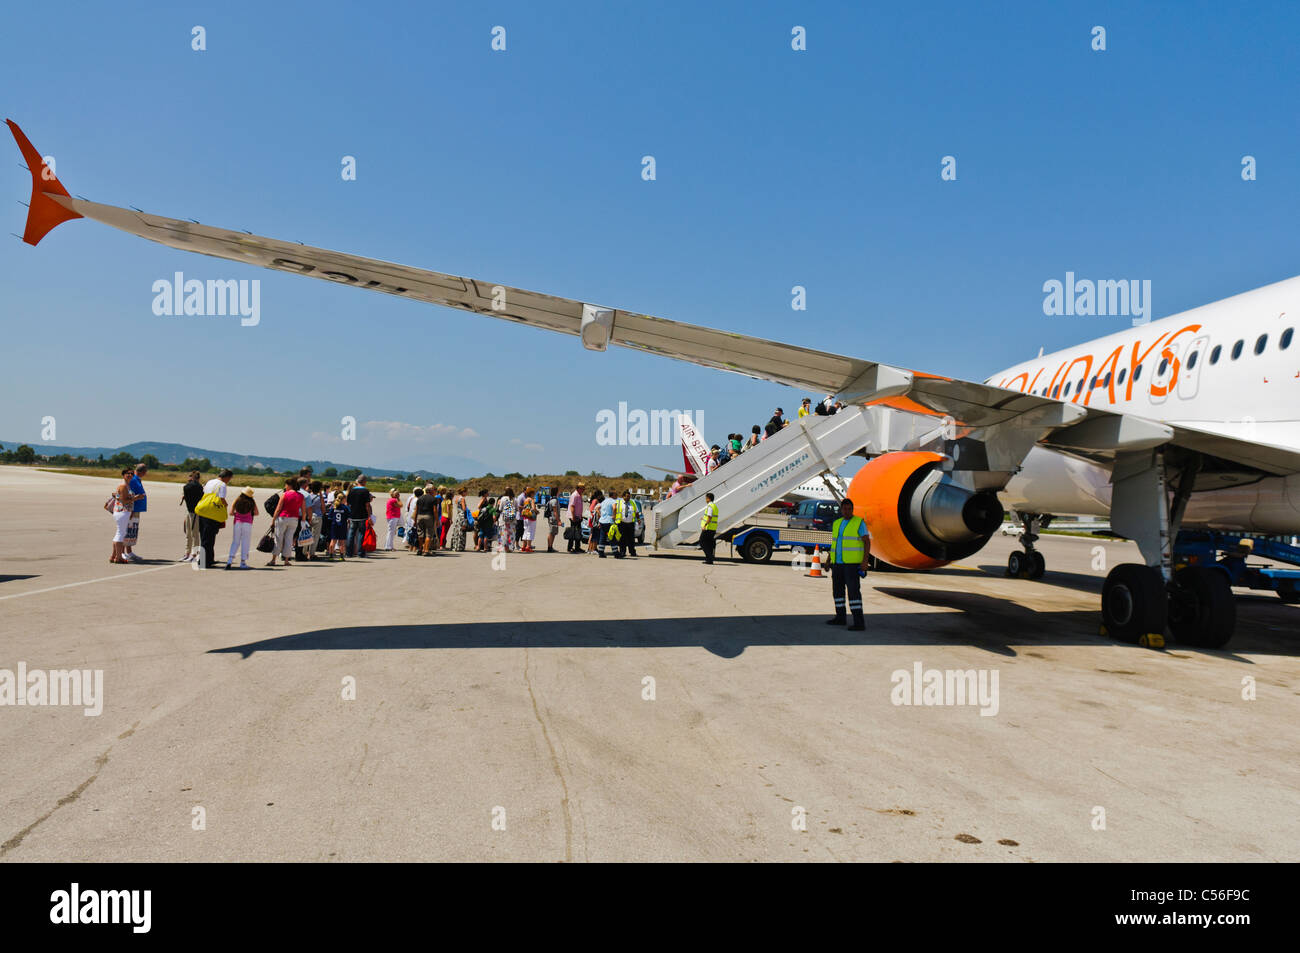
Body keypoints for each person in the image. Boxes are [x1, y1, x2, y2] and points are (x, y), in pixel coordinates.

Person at [826, 498, 870, 631]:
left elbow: (867, 542)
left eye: (849, 509)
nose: (847, 511)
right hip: (837, 565)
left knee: (853, 593)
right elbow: (834, 544)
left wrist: (864, 561)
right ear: (841, 510)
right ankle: (840, 618)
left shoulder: (859, 522)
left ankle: (859, 622)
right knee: (837, 592)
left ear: (852, 509)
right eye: (845, 509)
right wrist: (828, 561)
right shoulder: (837, 523)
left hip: (851, 565)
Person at [197, 469, 233, 569]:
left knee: (204, 537)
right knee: (209, 538)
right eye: (229, 479)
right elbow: (221, 498)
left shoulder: (209, 482)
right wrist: (226, 505)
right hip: (212, 514)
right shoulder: (222, 485)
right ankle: (204, 562)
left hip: (203, 510)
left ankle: (209, 559)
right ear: (227, 477)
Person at [268, 477, 303, 567]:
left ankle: (273, 559)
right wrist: (303, 520)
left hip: (283, 517)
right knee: (289, 539)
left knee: (278, 538)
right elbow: (303, 510)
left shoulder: (285, 494)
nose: (285, 486)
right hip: (294, 519)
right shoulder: (300, 496)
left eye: (286, 485)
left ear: (289, 485)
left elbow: (278, 508)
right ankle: (286, 560)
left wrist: (273, 520)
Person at [109, 467, 138, 564]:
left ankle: (114, 556)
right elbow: (124, 500)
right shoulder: (123, 486)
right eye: (128, 473)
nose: (130, 475)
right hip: (122, 511)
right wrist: (136, 498)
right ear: (123, 475)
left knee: (119, 533)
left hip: (124, 511)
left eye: (131, 474)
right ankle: (118, 557)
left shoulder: (127, 485)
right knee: (120, 534)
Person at [122, 461, 149, 562]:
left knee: (132, 532)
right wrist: (131, 509)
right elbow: (129, 494)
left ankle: (129, 551)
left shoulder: (137, 479)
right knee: (127, 530)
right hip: (133, 509)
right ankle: (122, 552)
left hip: (137, 509)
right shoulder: (133, 480)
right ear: (143, 472)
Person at [226, 487, 257, 569]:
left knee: (235, 541)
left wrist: (238, 514)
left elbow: (231, 513)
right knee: (245, 542)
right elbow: (256, 512)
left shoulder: (237, 500)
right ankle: (243, 562)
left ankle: (229, 560)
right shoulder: (252, 502)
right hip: (247, 523)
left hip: (237, 522)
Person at [346, 475, 373, 558]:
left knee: (351, 533)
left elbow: (348, 504)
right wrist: (369, 516)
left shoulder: (352, 491)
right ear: (364, 482)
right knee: (361, 534)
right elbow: (367, 505)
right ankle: (360, 553)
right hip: (362, 515)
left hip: (353, 515)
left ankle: (349, 553)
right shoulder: (365, 491)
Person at [180, 469, 204, 561]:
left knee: (190, 533)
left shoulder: (187, 487)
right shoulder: (199, 487)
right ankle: (191, 553)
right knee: (193, 533)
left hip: (191, 512)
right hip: (194, 512)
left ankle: (191, 553)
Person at [415, 485, 440, 555]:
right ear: (431, 490)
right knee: (429, 534)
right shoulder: (433, 499)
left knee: (420, 534)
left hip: (419, 516)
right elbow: (435, 510)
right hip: (429, 516)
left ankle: (420, 549)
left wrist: (414, 520)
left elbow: (416, 510)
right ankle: (426, 550)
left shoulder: (419, 498)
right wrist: (437, 520)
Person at [304, 480, 325, 560]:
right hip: (317, 517)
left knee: (306, 535)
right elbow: (323, 509)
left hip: (308, 516)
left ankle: (304, 552)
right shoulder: (319, 498)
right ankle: (311, 553)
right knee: (315, 536)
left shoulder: (308, 496)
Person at [327, 493, 351, 560]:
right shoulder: (346, 508)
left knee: (333, 541)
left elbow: (330, 517)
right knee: (341, 542)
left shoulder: (333, 507)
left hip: (334, 525)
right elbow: (349, 517)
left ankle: (331, 556)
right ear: (343, 499)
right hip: (342, 526)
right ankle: (341, 556)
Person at [616, 489, 638, 558]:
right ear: (623, 496)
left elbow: (636, 512)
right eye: (627, 496)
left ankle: (632, 552)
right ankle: (622, 552)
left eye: (629, 496)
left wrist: (639, 519)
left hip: (630, 523)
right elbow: (614, 511)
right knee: (622, 539)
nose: (628, 498)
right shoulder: (619, 503)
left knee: (631, 539)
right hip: (622, 523)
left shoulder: (633, 503)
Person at [699, 491, 719, 565]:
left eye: (706, 498)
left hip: (708, 528)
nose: (705, 500)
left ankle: (710, 557)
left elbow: (710, 517)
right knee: (709, 543)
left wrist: (704, 525)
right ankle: (709, 560)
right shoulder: (714, 506)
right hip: (713, 528)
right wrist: (703, 519)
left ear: (708, 498)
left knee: (702, 542)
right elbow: (710, 517)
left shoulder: (710, 506)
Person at [496, 487, 517, 553]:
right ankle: (510, 548)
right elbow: (517, 509)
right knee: (511, 534)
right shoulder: (514, 499)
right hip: (512, 519)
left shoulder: (503, 499)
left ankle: (503, 548)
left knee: (503, 534)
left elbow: (500, 509)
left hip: (503, 519)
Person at [597, 490, 617, 558]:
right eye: (615, 494)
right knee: (612, 537)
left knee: (602, 537)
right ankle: (616, 552)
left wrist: (601, 515)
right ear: (613, 495)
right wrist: (614, 516)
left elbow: (597, 508)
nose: (616, 496)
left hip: (602, 521)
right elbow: (614, 508)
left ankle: (601, 552)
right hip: (609, 521)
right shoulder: (613, 501)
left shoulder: (604, 501)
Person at [449, 487, 468, 551]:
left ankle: (454, 545)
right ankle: (460, 546)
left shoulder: (457, 498)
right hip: (462, 515)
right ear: (463, 492)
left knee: (456, 531)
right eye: (466, 492)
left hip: (458, 515)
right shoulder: (462, 498)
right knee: (462, 530)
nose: (467, 493)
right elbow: (464, 508)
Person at [567, 484, 585, 553]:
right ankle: (570, 547)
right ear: (578, 488)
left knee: (578, 532)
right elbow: (572, 506)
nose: (583, 490)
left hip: (578, 516)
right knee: (573, 532)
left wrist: (580, 516)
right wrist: (573, 516)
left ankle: (577, 547)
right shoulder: (574, 495)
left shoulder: (579, 495)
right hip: (574, 516)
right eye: (582, 489)